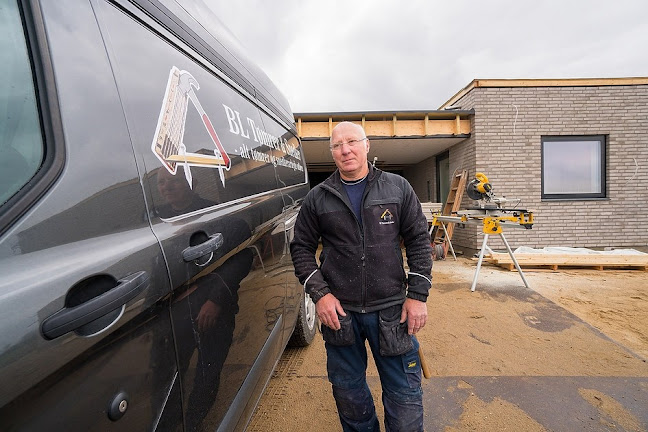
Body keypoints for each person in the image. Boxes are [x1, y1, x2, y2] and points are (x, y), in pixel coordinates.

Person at [290, 121, 433, 431]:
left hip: (392, 312)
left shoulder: (396, 188)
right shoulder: (318, 198)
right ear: (332, 152)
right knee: (349, 395)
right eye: (338, 145)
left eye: (352, 141)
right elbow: (301, 249)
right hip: (341, 315)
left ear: (367, 145)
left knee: (405, 397)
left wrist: (417, 296)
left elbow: (420, 240)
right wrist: (321, 295)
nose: (345, 150)